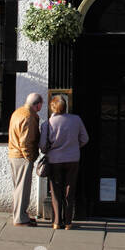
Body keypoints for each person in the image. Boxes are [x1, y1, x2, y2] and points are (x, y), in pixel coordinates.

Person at [41, 95, 88, 230]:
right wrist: (73, 146)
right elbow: (85, 138)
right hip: (73, 159)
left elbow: (43, 146)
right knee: (70, 189)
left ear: (52, 107)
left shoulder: (47, 124)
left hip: (55, 160)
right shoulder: (76, 120)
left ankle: (56, 221)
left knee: (55, 191)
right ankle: (68, 222)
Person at [7, 92, 43, 226]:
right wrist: (30, 157)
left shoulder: (18, 112)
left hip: (13, 154)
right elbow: (25, 142)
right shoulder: (29, 117)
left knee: (18, 188)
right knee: (23, 189)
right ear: (38, 105)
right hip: (22, 156)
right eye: (41, 104)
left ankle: (20, 214)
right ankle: (20, 218)